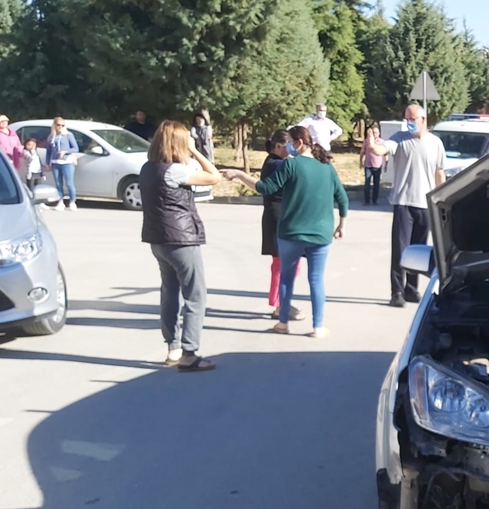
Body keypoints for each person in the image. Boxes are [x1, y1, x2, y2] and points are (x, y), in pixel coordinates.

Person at [223, 125, 348, 338]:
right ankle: (318, 327)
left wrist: (240, 175)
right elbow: (342, 198)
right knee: (316, 279)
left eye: (290, 141)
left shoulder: (290, 165)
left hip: (291, 232)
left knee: (286, 278)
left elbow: (264, 188)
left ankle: (283, 323)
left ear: (298, 142)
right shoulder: (327, 168)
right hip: (320, 234)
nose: (287, 146)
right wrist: (341, 225)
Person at [140, 119, 222, 371]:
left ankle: (173, 347)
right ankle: (189, 352)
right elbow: (214, 177)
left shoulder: (147, 168)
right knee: (195, 295)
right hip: (181, 239)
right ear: (178, 143)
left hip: (158, 239)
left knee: (169, 292)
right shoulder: (174, 170)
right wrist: (197, 150)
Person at [366, 104, 446, 306]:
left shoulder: (435, 143)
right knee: (401, 250)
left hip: (425, 204)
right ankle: (397, 293)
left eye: (413, 119)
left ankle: (412, 289)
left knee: (419, 252)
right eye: (407, 119)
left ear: (423, 120)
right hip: (403, 203)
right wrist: (370, 142)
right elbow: (380, 149)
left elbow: (439, 173)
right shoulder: (399, 140)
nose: (409, 123)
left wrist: (443, 198)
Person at [258, 129, 305, 321]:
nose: (292, 150)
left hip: (280, 216)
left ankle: (280, 301)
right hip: (278, 217)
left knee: (287, 263)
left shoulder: (276, 162)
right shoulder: (276, 164)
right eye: (289, 146)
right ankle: (279, 304)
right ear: (278, 146)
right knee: (282, 263)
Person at [44, 117, 80, 211]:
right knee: (58, 183)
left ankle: (72, 201)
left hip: (67, 162)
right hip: (55, 163)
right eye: (58, 125)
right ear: (55, 125)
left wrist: (65, 152)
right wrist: (48, 163)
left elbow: (75, 148)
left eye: (62, 125)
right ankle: (60, 201)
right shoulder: (51, 137)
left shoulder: (68, 135)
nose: (60, 127)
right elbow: (48, 151)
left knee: (69, 183)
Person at [361, 122, 386, 205]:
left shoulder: (382, 142)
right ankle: (366, 200)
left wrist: (386, 164)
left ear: (379, 133)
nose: (374, 134)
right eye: (373, 132)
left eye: (376, 132)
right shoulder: (367, 141)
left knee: (376, 184)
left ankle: (375, 200)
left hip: (377, 166)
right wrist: (360, 161)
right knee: (367, 183)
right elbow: (362, 152)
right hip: (368, 165)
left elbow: (385, 154)